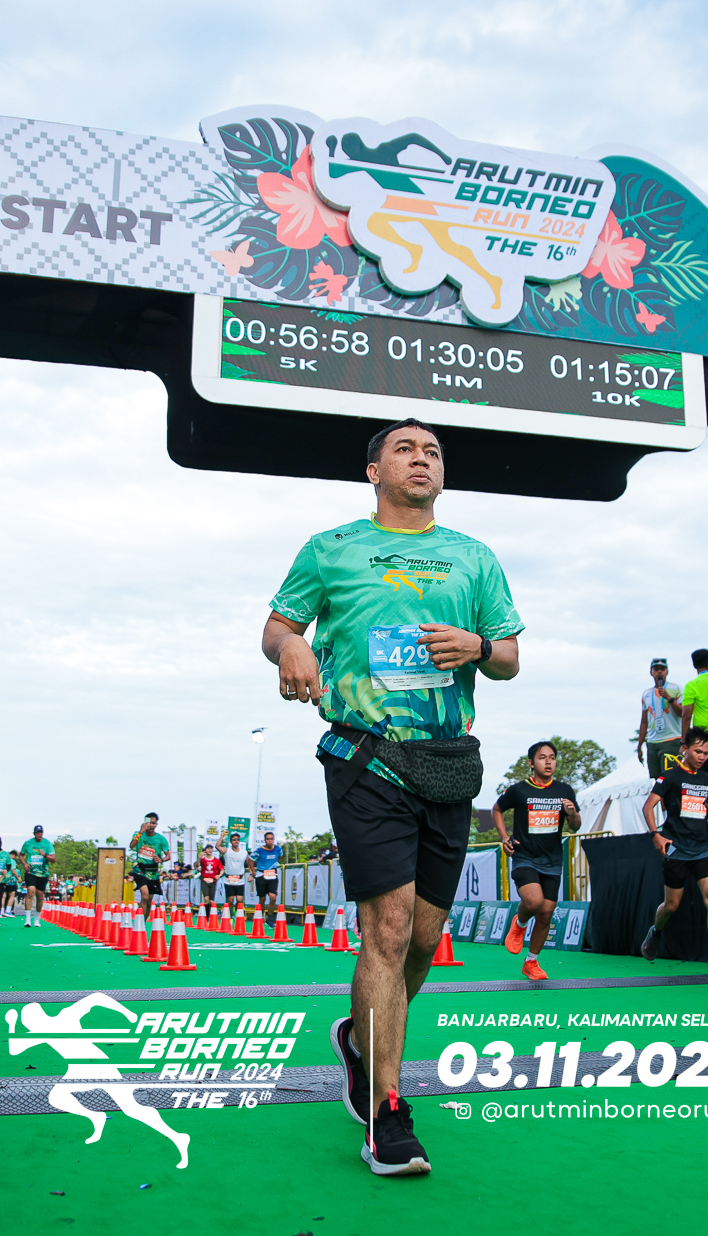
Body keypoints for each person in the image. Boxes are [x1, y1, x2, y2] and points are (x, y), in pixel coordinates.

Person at [261, 416, 523, 1176]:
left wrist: (479, 647)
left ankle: (359, 1037)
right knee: (388, 925)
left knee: (422, 939)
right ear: (374, 470)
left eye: (432, 451)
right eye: (405, 449)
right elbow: (276, 629)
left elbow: (508, 656)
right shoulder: (331, 549)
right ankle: (386, 1112)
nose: (421, 459)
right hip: (364, 753)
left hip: (447, 762)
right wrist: (295, 645)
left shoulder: (474, 557)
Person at [639, 729, 708, 974]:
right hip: (677, 849)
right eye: (698, 751)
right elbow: (648, 807)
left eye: (706, 753)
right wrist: (655, 834)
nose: (702, 757)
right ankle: (656, 931)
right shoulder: (669, 777)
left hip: (704, 848)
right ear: (684, 749)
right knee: (671, 905)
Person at [492, 740, 580, 980]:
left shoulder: (565, 790)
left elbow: (575, 826)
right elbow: (497, 809)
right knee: (534, 902)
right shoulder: (519, 790)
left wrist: (572, 814)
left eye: (552, 757)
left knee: (546, 913)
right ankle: (519, 924)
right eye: (542, 758)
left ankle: (531, 962)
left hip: (552, 860)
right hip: (524, 856)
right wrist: (504, 838)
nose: (548, 762)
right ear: (531, 763)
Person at [635, 658, 684, 775]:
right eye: (656, 669)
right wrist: (640, 745)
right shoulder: (646, 693)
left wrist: (669, 698)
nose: (659, 672)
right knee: (657, 779)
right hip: (653, 741)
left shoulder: (676, 688)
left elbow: (682, 713)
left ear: (667, 671)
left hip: (672, 739)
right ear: (651, 672)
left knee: (670, 777)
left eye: (662, 669)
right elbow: (644, 721)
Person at [128, 814, 170, 920]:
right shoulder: (138, 834)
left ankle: (143, 922)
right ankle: (140, 922)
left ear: (156, 824)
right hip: (140, 870)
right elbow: (132, 846)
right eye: (149, 823)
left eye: (153, 823)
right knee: (145, 896)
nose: (151, 825)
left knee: (149, 900)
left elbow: (168, 856)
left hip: (153, 872)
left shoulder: (161, 839)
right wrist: (141, 831)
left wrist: (161, 859)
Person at [20, 825, 57, 928]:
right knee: (30, 892)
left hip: (43, 873)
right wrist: (24, 864)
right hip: (31, 872)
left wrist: (45, 855)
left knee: (40, 896)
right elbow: (21, 855)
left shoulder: (47, 844)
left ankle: (37, 918)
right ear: (34, 833)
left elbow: (54, 859)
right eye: (38, 832)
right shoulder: (28, 843)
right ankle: (27, 919)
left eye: (41, 832)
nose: (39, 834)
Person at [251, 831, 284, 919]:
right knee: (262, 899)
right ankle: (261, 916)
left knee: (273, 897)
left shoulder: (278, 849)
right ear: (265, 840)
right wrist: (253, 871)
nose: (270, 841)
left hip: (272, 875)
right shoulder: (259, 850)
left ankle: (270, 918)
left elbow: (279, 856)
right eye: (268, 839)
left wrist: (273, 865)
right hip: (261, 875)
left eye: (271, 839)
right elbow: (250, 859)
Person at [221, 833, 249, 911]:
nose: (236, 841)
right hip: (229, 879)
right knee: (230, 900)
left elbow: (249, 863)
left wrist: (251, 874)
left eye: (237, 839)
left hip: (239, 880)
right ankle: (230, 915)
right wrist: (222, 836)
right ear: (230, 841)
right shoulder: (227, 851)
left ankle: (237, 913)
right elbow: (217, 846)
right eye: (234, 840)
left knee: (240, 900)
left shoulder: (244, 852)